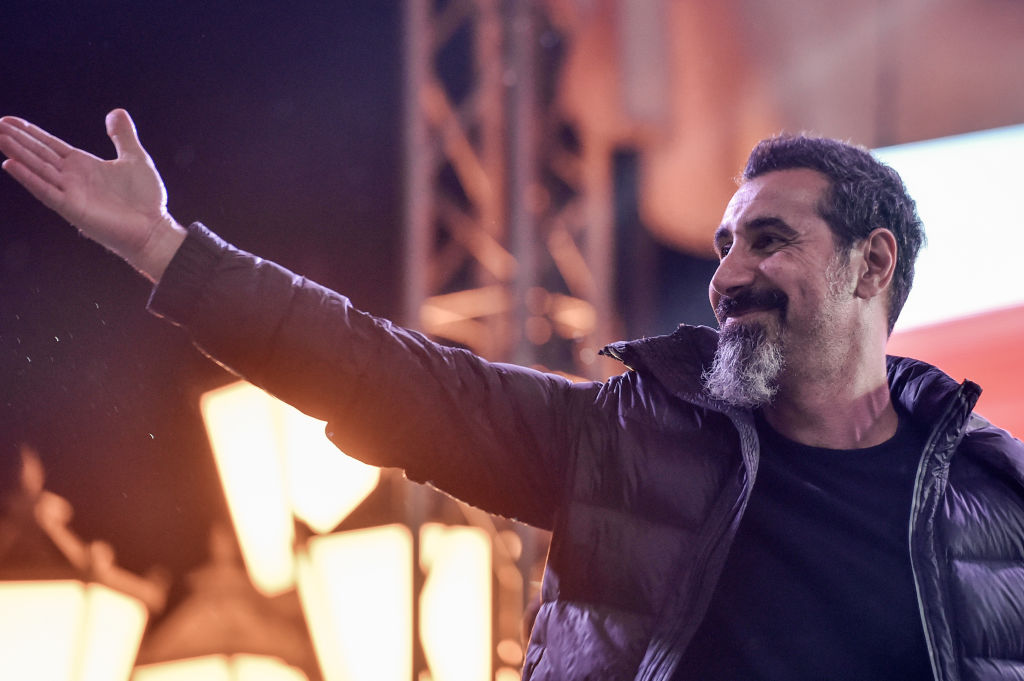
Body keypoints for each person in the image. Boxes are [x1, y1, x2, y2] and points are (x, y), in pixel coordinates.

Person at [1, 110, 1022, 681]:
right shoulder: (624, 439)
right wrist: (165, 250)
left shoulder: (995, 499)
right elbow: (385, 373)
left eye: (769, 240)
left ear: (871, 263)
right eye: (722, 246)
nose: (726, 275)